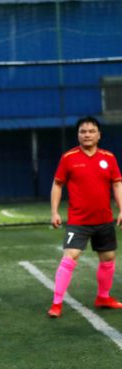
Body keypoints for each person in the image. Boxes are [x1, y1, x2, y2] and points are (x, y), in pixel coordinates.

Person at [48, 116, 122, 318]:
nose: (87, 135)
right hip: (78, 221)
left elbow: (117, 184)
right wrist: (54, 212)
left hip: (104, 219)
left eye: (91, 131)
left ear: (99, 135)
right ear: (78, 135)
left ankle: (103, 297)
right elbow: (57, 184)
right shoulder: (68, 157)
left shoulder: (109, 157)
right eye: (83, 131)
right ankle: (56, 303)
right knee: (69, 258)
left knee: (108, 258)